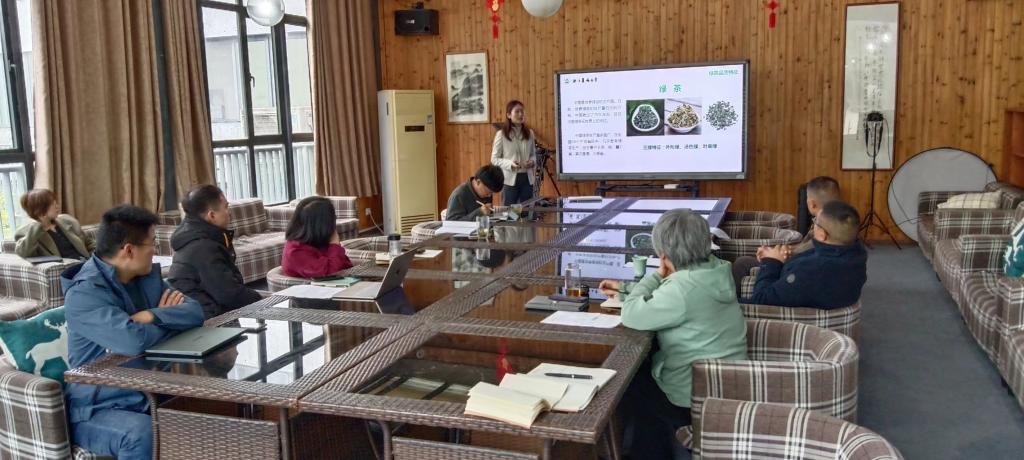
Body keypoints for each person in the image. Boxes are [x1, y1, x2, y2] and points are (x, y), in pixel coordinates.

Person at [598, 209, 748, 458]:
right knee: (641, 378)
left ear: (664, 255)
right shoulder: (717, 269)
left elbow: (632, 314)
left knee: (624, 382)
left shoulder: (682, 290)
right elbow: (672, 295)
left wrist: (656, 274)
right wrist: (626, 289)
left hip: (690, 395)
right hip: (726, 384)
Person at [61, 205, 204, 460]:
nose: (156, 251)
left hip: (147, 392)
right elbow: (133, 341)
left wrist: (151, 315)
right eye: (152, 243)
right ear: (129, 250)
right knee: (141, 434)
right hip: (97, 408)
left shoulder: (144, 278)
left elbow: (194, 312)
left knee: (209, 408)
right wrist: (168, 323)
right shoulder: (84, 294)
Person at [744, 200, 867, 309]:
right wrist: (784, 256)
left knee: (740, 266)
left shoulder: (812, 270)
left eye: (815, 222)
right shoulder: (854, 254)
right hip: (800, 289)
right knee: (744, 262)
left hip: (775, 312)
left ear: (822, 234)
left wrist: (771, 261)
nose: (813, 226)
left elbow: (761, 299)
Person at [731, 176, 842, 291]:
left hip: (794, 268)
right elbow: (806, 246)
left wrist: (774, 254)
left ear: (811, 204)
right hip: (797, 262)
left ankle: (733, 301)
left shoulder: (824, 226)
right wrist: (777, 250)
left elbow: (808, 250)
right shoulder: (839, 220)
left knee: (742, 263)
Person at [168, 185, 262, 319]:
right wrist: (263, 301)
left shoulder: (198, 236)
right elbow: (230, 294)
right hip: (206, 319)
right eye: (226, 207)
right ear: (212, 215)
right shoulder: (202, 248)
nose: (229, 213)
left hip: (210, 310)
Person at [280, 196, 354, 278]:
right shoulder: (296, 252)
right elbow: (332, 273)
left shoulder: (315, 240)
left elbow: (346, 265)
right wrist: (334, 245)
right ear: (321, 224)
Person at [13, 188, 95, 259]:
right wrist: (38, 226)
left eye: (56, 203)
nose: (57, 206)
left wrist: (99, 256)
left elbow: (89, 243)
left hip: (88, 263)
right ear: (41, 209)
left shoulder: (67, 220)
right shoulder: (25, 233)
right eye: (53, 204)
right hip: (68, 268)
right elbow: (23, 253)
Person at [491, 100, 536, 206]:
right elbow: (494, 159)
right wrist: (510, 164)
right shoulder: (501, 134)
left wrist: (532, 162)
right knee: (509, 213)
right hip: (509, 180)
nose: (521, 114)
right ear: (509, 115)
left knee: (527, 211)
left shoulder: (530, 133)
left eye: (522, 111)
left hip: (527, 179)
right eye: (517, 111)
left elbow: (533, 154)